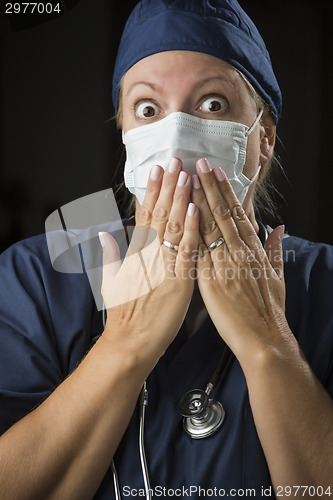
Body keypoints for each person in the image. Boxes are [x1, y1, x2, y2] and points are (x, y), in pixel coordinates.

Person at [0, 0, 332, 499]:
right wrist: (124, 345)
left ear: (263, 138)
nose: (177, 138)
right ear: (127, 138)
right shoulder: (36, 277)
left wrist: (270, 344)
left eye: (213, 103)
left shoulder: (324, 281)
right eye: (149, 109)